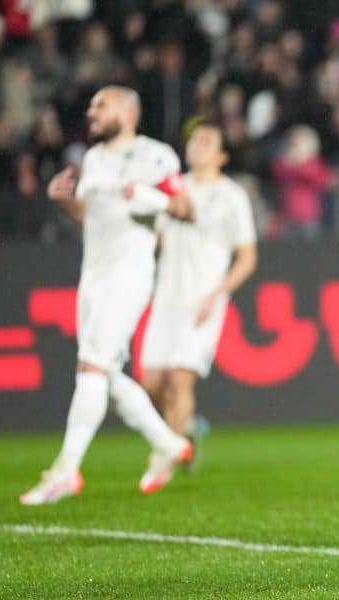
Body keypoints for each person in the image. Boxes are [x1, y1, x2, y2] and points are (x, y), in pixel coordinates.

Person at [20, 86, 194, 506]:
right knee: (107, 375)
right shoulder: (93, 160)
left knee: (93, 366)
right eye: (92, 105)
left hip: (130, 273)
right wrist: (66, 204)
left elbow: (185, 209)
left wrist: (152, 198)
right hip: (93, 275)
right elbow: (94, 220)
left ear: (128, 111)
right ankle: (168, 444)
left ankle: (66, 470)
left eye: (101, 105)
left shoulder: (156, 156)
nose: (91, 111)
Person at [140, 121, 258, 469]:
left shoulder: (232, 196)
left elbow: (247, 256)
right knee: (151, 385)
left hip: (203, 300)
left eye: (206, 141)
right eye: (193, 140)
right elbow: (156, 240)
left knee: (180, 378)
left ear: (222, 156)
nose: (197, 145)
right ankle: (186, 429)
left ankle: (164, 460)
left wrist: (218, 294)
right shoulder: (171, 191)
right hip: (166, 298)